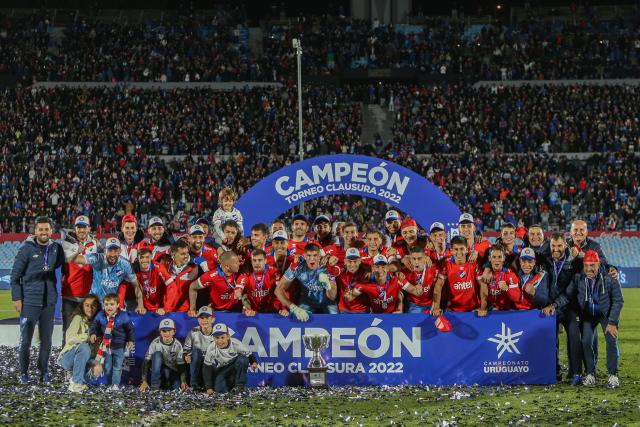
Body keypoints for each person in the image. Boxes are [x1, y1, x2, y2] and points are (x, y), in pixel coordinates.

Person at [10, 216, 66, 384]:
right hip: (29, 302)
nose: (43, 232)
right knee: (25, 340)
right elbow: (14, 276)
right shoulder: (26, 249)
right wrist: (17, 298)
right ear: (35, 231)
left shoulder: (56, 248)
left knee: (47, 342)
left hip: (48, 302)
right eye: (40, 229)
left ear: (51, 231)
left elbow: (64, 265)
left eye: (46, 229)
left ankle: (43, 372)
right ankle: (23, 373)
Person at [562, 250, 623, 388]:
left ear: (598, 264)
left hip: (605, 315)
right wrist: (554, 305)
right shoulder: (579, 278)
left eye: (593, 265)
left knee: (611, 339)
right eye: (587, 265)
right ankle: (590, 373)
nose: (589, 269)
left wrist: (612, 322)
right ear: (583, 265)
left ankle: (613, 375)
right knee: (586, 341)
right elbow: (567, 296)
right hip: (588, 315)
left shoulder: (610, 278)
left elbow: (619, 301)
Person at [540, 232, 584, 384]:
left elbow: (570, 292)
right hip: (550, 308)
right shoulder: (544, 260)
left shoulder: (574, 263)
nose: (556, 249)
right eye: (553, 246)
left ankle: (576, 373)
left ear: (565, 245)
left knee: (574, 336)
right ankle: (553, 372)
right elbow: (536, 249)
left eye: (559, 246)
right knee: (550, 340)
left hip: (567, 306)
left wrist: (555, 304)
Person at [69, 237, 145, 311]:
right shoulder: (97, 259)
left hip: (110, 307)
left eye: (115, 251)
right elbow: (72, 260)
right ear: (105, 250)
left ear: (120, 251)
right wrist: (77, 252)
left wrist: (140, 305)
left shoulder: (125, 265)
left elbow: (136, 286)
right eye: (110, 250)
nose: (112, 254)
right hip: (94, 305)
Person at [60, 215, 101, 345]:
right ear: (75, 229)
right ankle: (65, 361)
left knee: (90, 331)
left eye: (84, 227)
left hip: (88, 297)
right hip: (70, 294)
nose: (81, 230)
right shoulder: (67, 242)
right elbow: (64, 261)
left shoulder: (95, 244)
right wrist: (78, 251)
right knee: (68, 330)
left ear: (89, 228)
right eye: (79, 227)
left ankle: (87, 360)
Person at [275, 243, 339, 319]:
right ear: (304, 256)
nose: (312, 259)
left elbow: (332, 297)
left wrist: (328, 285)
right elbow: (278, 290)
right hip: (307, 301)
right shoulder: (297, 266)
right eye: (308, 255)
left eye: (315, 255)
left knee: (335, 318)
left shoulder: (327, 265)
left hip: (328, 301)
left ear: (319, 256)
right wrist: (294, 308)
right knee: (297, 318)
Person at [89, 293, 135, 389]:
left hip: (119, 347)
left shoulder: (123, 316)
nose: (109, 307)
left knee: (117, 366)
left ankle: (115, 385)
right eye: (106, 304)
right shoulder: (101, 315)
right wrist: (93, 333)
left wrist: (130, 340)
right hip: (107, 347)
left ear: (118, 305)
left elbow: (130, 329)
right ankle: (109, 380)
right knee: (108, 367)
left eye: (111, 304)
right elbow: (94, 325)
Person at [349, 254, 421, 314]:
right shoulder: (366, 282)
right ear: (373, 268)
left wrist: (419, 286)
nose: (380, 270)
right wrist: (349, 295)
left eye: (383, 267)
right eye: (377, 267)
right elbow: (350, 297)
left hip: (393, 315)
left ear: (387, 268)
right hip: (374, 316)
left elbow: (415, 291)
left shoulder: (397, 279)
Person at [432, 235, 484, 316]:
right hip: (453, 309)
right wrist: (436, 307)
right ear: (451, 250)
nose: (459, 252)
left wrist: (483, 307)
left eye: (461, 249)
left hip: (473, 309)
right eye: (456, 249)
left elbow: (483, 284)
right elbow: (438, 285)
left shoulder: (473, 263)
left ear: (466, 249)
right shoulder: (446, 264)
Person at [57, 294, 100, 392]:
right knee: (84, 347)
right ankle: (76, 383)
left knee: (98, 367)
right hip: (67, 358)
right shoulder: (78, 318)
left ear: (97, 307)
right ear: (82, 306)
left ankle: (77, 376)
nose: (90, 308)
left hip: (86, 358)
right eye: (87, 305)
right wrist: (87, 337)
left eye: (93, 305)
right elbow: (70, 338)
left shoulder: (97, 322)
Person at [203, 323, 257, 394]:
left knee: (243, 360)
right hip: (223, 369)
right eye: (217, 338)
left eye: (222, 337)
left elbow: (249, 354)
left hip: (235, 364)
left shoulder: (236, 343)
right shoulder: (211, 348)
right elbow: (207, 368)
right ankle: (232, 383)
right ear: (213, 338)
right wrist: (209, 387)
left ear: (228, 336)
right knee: (219, 389)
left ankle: (240, 386)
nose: (220, 341)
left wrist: (253, 362)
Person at [140, 318, 189, 392]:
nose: (167, 333)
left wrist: (183, 381)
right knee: (157, 354)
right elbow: (146, 362)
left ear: (174, 331)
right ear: (160, 332)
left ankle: (167, 384)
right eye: (164, 331)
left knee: (177, 388)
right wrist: (144, 381)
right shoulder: (155, 343)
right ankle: (154, 388)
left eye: (169, 331)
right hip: (158, 371)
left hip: (171, 371)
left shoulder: (178, 345)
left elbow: (181, 366)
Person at [157, 240, 200, 313]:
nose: (186, 256)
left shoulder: (194, 268)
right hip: (166, 308)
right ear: (173, 254)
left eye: (187, 253)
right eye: (182, 254)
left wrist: (193, 308)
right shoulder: (166, 265)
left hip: (185, 311)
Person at [235, 249, 283, 315]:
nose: (256, 263)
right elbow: (239, 287)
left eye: (260, 260)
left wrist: (283, 308)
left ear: (265, 261)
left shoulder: (273, 272)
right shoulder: (246, 274)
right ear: (251, 261)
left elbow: (281, 290)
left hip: (270, 310)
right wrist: (238, 291)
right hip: (252, 311)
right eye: (254, 260)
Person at [402, 246, 444, 313]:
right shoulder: (405, 272)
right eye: (414, 259)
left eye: (419, 258)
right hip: (414, 305)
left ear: (425, 258)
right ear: (410, 259)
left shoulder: (433, 269)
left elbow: (438, 288)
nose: (416, 262)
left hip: (431, 303)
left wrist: (436, 305)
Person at [184, 306, 216, 390]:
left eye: (207, 318)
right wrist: (186, 356)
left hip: (212, 365)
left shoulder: (218, 333)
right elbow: (185, 351)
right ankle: (194, 385)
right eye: (201, 318)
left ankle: (212, 384)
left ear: (213, 319)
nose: (204, 320)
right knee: (196, 351)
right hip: (197, 365)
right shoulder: (193, 332)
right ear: (198, 320)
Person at [483, 245, 522, 311]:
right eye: (494, 257)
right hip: (490, 311)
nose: (497, 260)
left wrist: (507, 289)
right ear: (489, 258)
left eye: (499, 257)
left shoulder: (510, 274)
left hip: (506, 311)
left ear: (504, 258)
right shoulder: (485, 275)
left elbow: (517, 298)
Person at [336, 248, 371, 313]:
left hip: (362, 310)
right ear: (345, 261)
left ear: (360, 261)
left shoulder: (366, 273)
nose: (352, 264)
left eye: (355, 261)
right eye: (349, 261)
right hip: (344, 309)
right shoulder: (339, 271)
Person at [133, 247, 165, 314]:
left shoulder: (158, 267)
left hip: (158, 306)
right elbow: (124, 287)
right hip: (141, 306)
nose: (144, 260)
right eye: (141, 257)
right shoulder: (133, 270)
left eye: (147, 257)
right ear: (138, 258)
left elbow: (170, 287)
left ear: (151, 257)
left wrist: (166, 307)